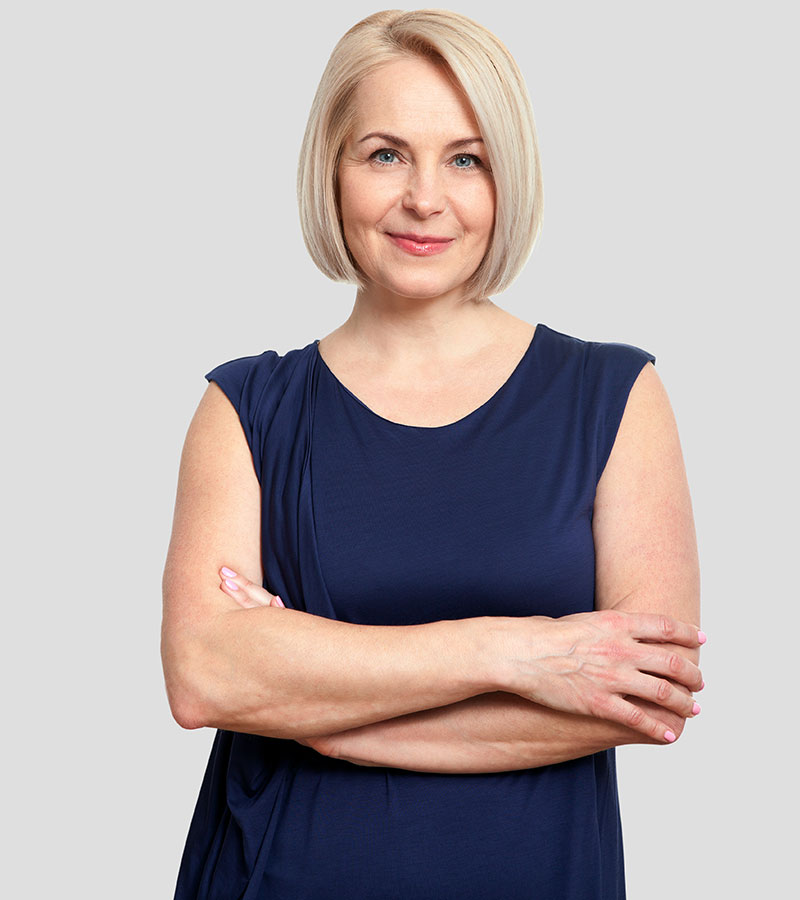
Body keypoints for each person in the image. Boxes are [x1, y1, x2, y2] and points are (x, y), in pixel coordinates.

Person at [161, 8, 704, 899]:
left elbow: (650, 694)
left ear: (507, 178)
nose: (424, 198)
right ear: (331, 171)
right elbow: (204, 676)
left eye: (467, 158)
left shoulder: (615, 396)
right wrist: (521, 654)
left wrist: (322, 713)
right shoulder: (245, 408)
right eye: (385, 154)